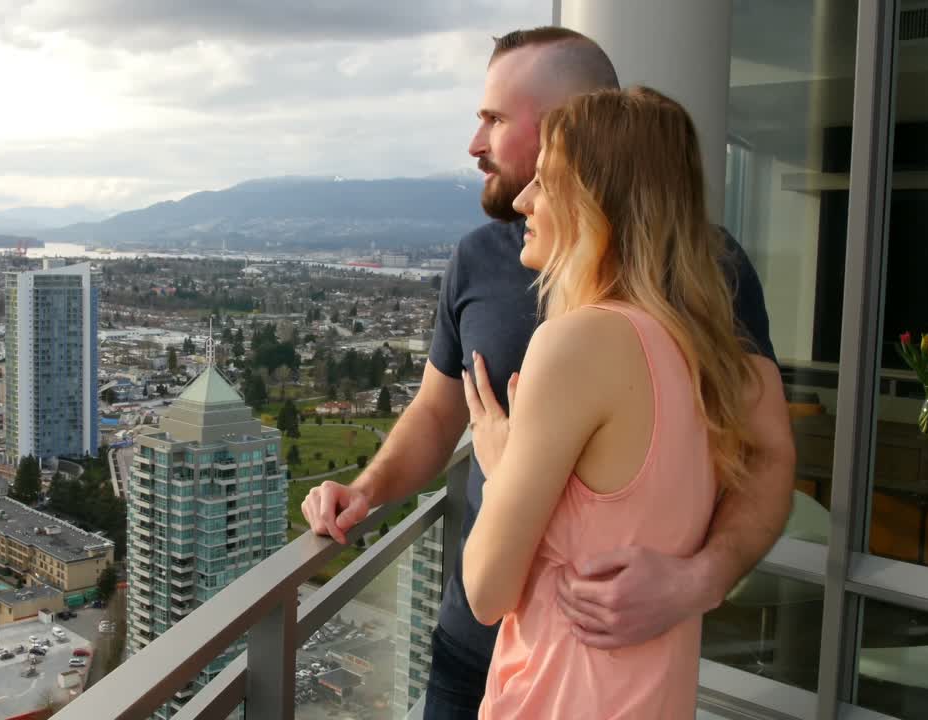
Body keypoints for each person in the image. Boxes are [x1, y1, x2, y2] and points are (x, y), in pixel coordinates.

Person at [301, 26, 797, 719]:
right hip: (492, 653)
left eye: (496, 119)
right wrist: (365, 490)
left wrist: (701, 579)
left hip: (574, 664)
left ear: (576, 127)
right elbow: (439, 413)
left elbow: (766, 454)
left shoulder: (699, 277)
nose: (475, 144)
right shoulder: (479, 259)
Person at [465, 85, 757, 718]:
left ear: (595, 204)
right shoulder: (701, 350)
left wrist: (500, 464)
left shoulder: (579, 342)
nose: (522, 201)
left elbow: (486, 591)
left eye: (544, 181)